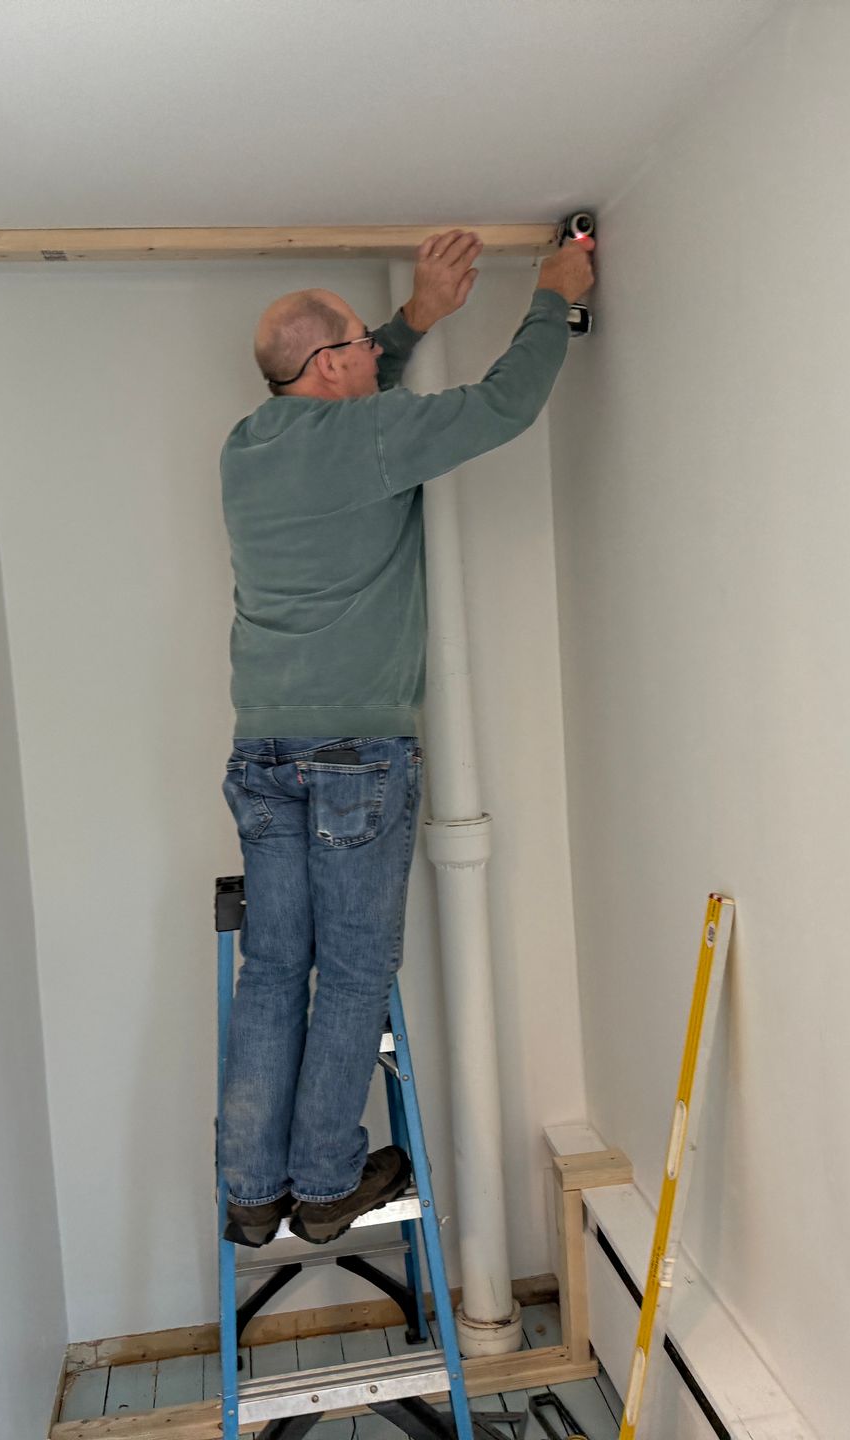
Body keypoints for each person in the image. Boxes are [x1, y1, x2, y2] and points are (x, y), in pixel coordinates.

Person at [216, 229, 595, 1246]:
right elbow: (505, 404)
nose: (377, 354)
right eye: (363, 345)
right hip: (356, 762)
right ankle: (326, 1179)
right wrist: (553, 295)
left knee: (272, 969)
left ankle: (254, 1191)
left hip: (263, 757)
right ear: (335, 365)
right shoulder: (371, 437)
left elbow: (345, 373)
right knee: (348, 974)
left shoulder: (246, 447)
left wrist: (418, 316)